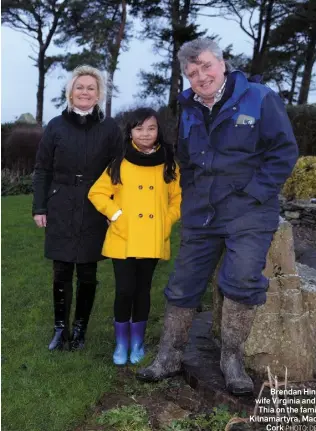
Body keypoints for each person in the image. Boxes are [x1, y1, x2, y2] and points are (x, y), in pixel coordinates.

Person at [137, 38, 299, 395]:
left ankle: (231, 359)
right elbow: (187, 160)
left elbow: (284, 151)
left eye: (206, 66)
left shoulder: (259, 98)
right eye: (193, 73)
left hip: (249, 212)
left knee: (242, 279)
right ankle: (169, 356)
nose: (201, 76)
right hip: (202, 213)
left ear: (222, 63)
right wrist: (193, 195)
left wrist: (255, 193)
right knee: (182, 283)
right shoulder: (187, 108)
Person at [32, 65, 122, 352]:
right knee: (61, 270)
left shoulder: (110, 129)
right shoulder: (56, 126)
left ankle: (80, 331)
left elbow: (119, 173)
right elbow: (42, 169)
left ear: (98, 95)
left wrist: (113, 209)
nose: (85, 92)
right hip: (60, 204)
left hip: (95, 206)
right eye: (79, 87)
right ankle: (61, 330)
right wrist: (39, 207)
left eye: (91, 88)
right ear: (70, 92)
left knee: (86, 271)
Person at [88, 107, 181, 365]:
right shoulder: (119, 162)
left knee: (143, 291)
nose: (145, 134)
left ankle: (137, 343)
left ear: (158, 130)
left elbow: (178, 199)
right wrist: (116, 214)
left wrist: (166, 220)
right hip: (123, 237)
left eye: (151, 128)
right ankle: (121, 344)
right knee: (125, 290)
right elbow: (96, 193)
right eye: (139, 128)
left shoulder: (169, 163)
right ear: (130, 131)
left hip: (152, 236)